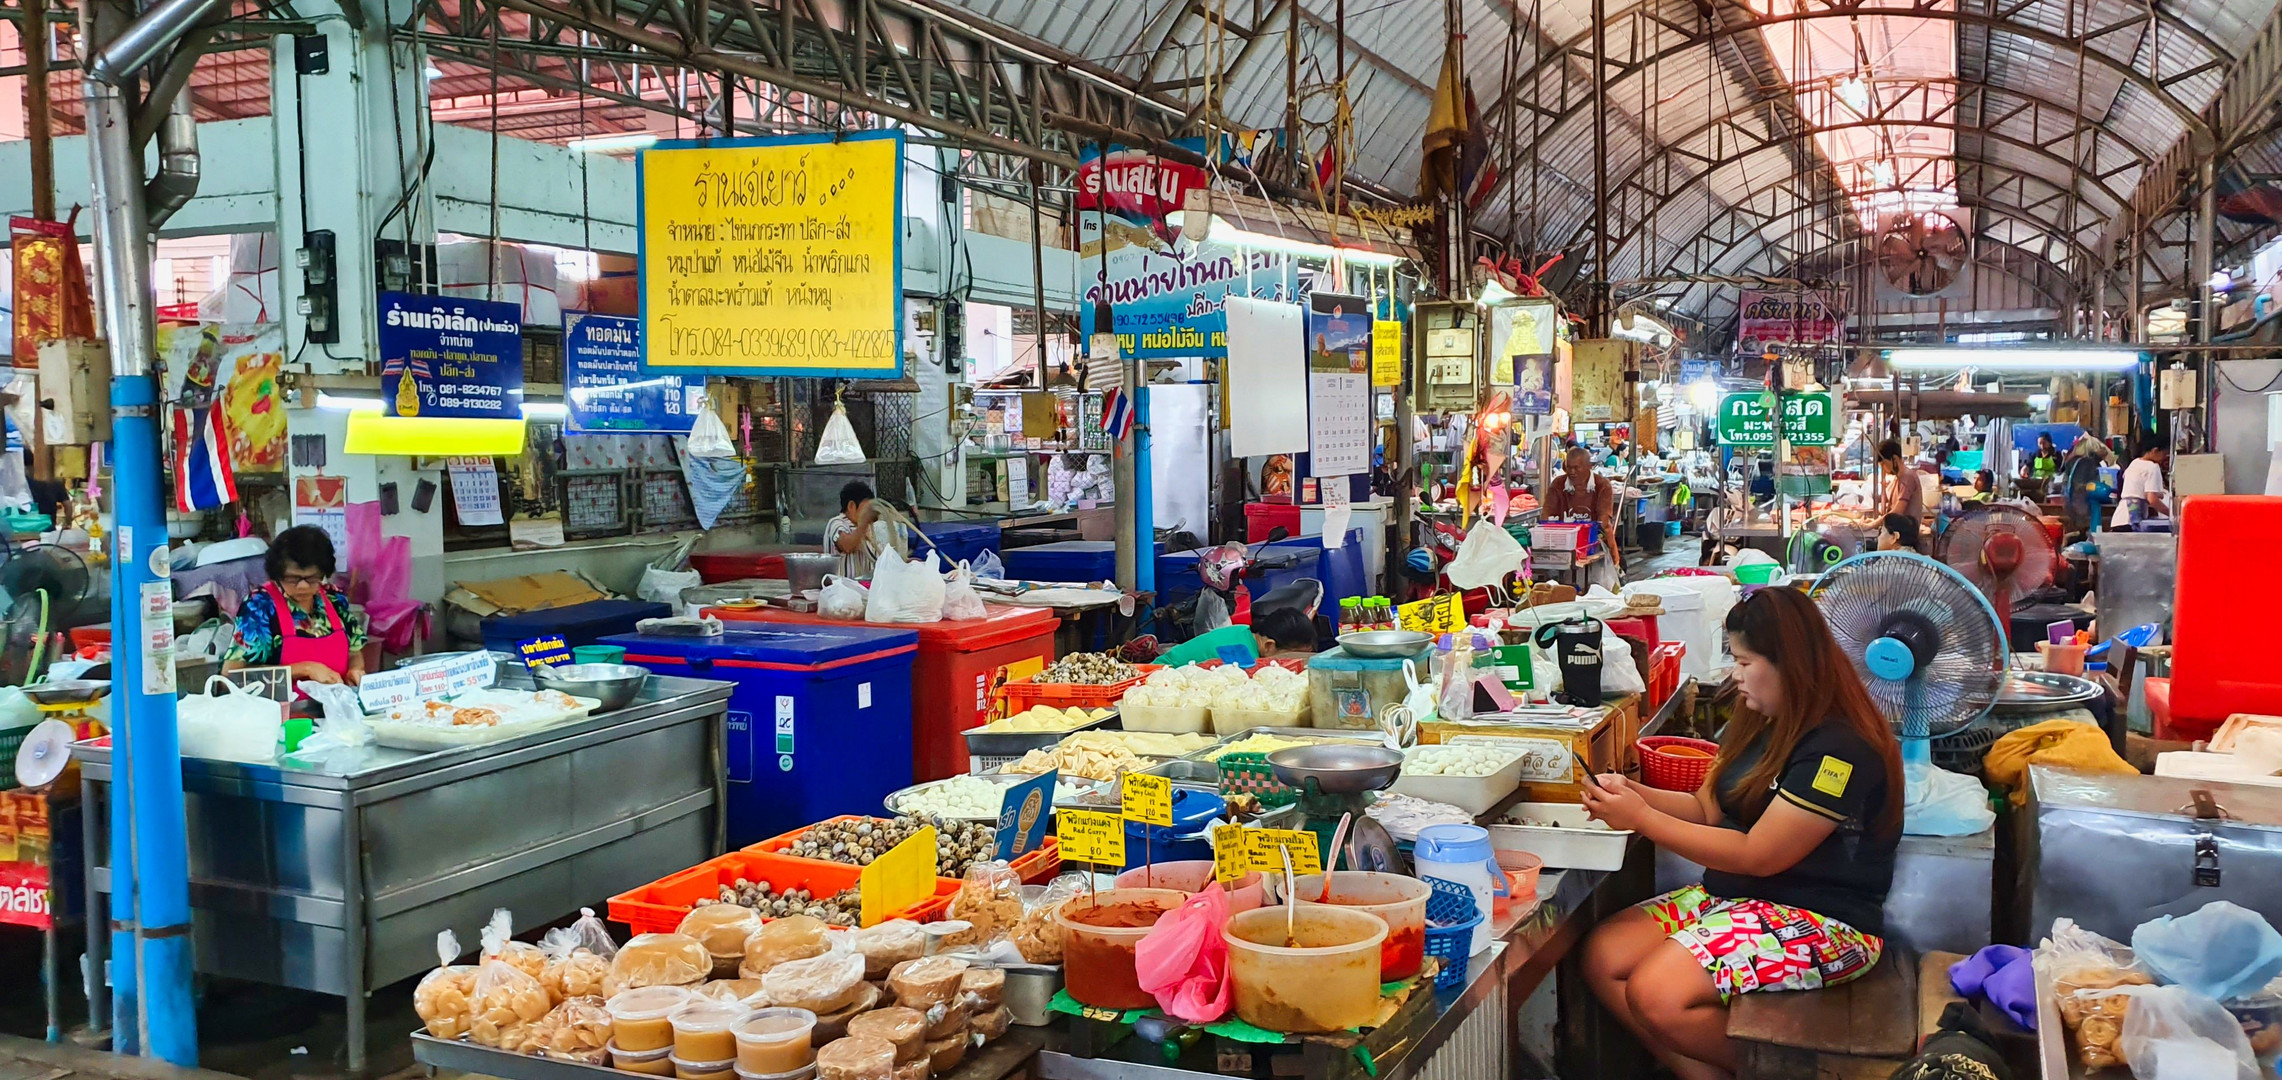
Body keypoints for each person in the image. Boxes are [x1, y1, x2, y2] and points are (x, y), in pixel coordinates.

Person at [1579, 587, 1904, 1080]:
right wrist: (1632, 796)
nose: (1735, 673)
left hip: (1822, 918)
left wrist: (1641, 819)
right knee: (1605, 957)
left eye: (1745, 661)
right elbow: (1705, 809)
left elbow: (1760, 855)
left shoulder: (1840, 748)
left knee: (1657, 994)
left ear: (1789, 663)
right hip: (1737, 899)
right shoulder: (1758, 720)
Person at [225, 525, 367, 686]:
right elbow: (231, 676)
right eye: (293, 578)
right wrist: (304, 669)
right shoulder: (259, 607)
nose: (303, 586)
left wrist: (355, 669)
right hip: (280, 709)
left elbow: (354, 652)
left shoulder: (335, 599)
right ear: (277, 574)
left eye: (312, 578)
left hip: (336, 707)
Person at [1545, 445, 1618, 552]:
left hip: (1595, 541)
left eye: (1576, 468)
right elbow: (1547, 512)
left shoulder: (1602, 485)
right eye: (1569, 467)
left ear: (1588, 466)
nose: (1572, 472)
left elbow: (1603, 520)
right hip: (1563, 542)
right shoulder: (1558, 484)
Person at [824, 480, 886, 578]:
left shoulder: (867, 528)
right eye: (867, 508)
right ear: (851, 506)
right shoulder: (836, 523)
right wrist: (864, 524)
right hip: (842, 590)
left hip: (864, 588)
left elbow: (880, 556)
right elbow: (847, 546)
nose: (869, 512)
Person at [2112, 437, 2171, 528]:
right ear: (2155, 451)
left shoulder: (2134, 463)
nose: (2164, 458)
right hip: (2131, 522)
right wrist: (2172, 515)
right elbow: (2152, 499)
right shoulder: (2152, 467)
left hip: (2119, 519)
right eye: (2164, 454)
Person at [1879, 439, 1926, 523]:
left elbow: (1897, 512)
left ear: (1895, 459)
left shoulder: (1907, 477)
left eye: (1883, 464)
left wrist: (1872, 524)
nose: (1883, 469)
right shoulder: (1897, 478)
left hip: (1906, 533)